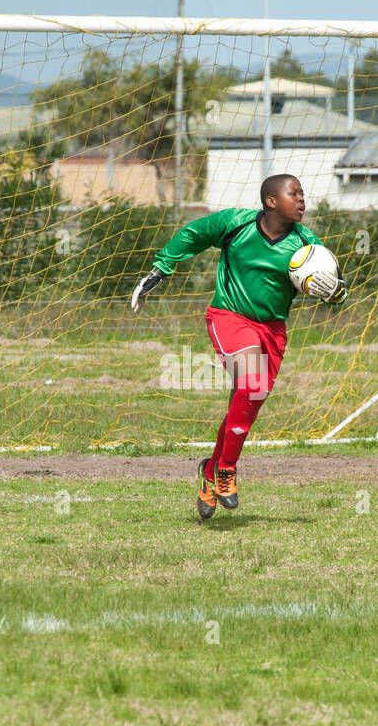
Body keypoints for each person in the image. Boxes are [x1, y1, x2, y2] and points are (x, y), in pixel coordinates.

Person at [130, 174, 346, 518]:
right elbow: (193, 234)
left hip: (273, 330)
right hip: (229, 317)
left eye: (303, 194)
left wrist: (335, 292)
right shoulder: (236, 223)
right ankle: (227, 470)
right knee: (252, 383)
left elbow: (334, 284)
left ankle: (209, 470)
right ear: (271, 201)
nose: (302, 200)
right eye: (295, 194)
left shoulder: (308, 244)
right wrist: (159, 270)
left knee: (245, 402)